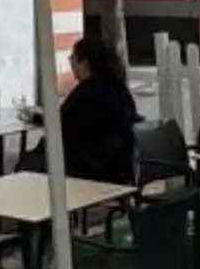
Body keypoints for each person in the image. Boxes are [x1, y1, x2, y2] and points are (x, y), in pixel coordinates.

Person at [17, 37, 142, 183]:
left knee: (27, 166)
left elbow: (61, 127)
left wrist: (38, 122)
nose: (70, 63)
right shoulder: (117, 87)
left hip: (89, 167)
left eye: (73, 58)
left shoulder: (85, 93)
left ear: (84, 63)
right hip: (119, 165)